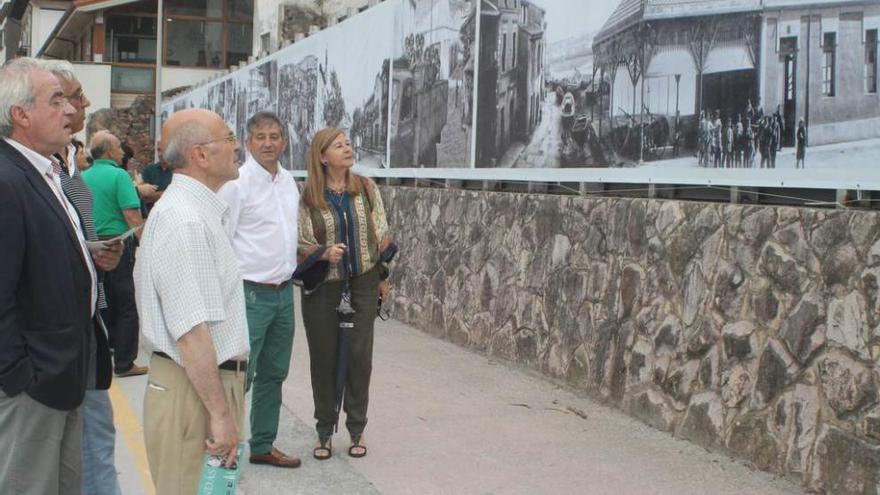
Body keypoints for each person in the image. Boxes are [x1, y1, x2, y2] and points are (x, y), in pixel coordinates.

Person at [134, 108, 249, 495]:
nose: (237, 146)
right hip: (194, 391)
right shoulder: (187, 221)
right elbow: (192, 332)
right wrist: (219, 414)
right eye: (229, 138)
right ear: (201, 154)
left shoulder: (195, 212)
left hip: (198, 386)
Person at [0, 57, 96, 495]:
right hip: (33, 386)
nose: (70, 111)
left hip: (62, 377)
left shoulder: (44, 171)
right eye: (56, 100)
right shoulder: (8, 179)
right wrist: (20, 376)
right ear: (20, 114)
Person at [42, 58, 125, 495]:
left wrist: (98, 256)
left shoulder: (70, 166)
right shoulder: (32, 173)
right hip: (53, 347)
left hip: (87, 333)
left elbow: (70, 243)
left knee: (91, 444)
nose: (84, 102)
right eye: (71, 96)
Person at [294, 127, 397, 460]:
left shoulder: (365, 188)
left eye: (348, 144)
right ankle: (324, 430)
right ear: (323, 156)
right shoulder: (309, 194)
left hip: (363, 284)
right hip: (324, 288)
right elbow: (300, 239)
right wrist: (323, 254)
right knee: (323, 358)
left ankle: (357, 427)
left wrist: (382, 276)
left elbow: (380, 231)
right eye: (338, 146)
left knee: (359, 358)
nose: (347, 149)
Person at [218, 111, 302, 468]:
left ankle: (264, 445)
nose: (268, 143)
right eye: (260, 137)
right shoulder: (237, 183)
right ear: (248, 142)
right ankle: (227, 451)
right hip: (250, 294)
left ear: (284, 141)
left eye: (274, 136)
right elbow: (223, 239)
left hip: (284, 293)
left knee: (274, 372)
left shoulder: (288, 181)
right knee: (240, 376)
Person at [82, 130, 148, 377]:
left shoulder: (83, 176)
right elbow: (132, 216)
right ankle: (125, 363)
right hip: (116, 245)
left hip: (90, 245)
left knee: (102, 300)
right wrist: (149, 249)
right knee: (126, 304)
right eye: (119, 147)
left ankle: (108, 346)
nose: (122, 152)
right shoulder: (119, 175)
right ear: (109, 151)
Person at [139, 150, 172, 216]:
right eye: (159, 150)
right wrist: (169, 193)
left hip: (171, 215)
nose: (160, 154)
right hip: (151, 215)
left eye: (163, 150)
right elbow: (145, 197)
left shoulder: (178, 171)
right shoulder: (148, 170)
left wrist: (155, 195)